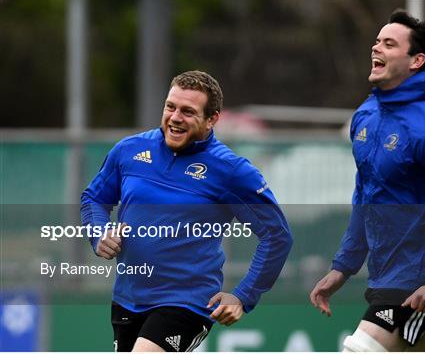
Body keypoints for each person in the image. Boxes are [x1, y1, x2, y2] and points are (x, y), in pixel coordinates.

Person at [310, 10, 425, 352]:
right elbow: (366, 196)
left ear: (416, 60)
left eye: (389, 43)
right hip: (386, 277)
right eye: (377, 41)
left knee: (358, 348)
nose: (376, 48)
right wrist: (344, 266)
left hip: (417, 281)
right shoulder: (365, 116)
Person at [81, 70, 293, 352]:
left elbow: (277, 235)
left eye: (188, 111)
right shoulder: (129, 150)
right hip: (127, 297)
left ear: (212, 119)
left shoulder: (231, 171)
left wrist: (244, 296)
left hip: (186, 303)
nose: (175, 117)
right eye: (170, 107)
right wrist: (98, 233)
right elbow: (94, 198)